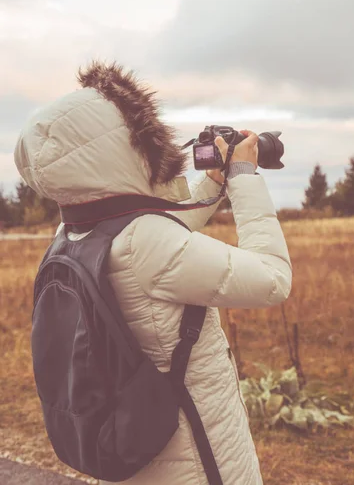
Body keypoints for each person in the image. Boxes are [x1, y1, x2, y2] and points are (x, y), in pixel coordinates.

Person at [14, 62, 292, 485]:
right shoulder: (145, 242)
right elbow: (273, 278)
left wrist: (212, 186)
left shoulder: (74, 231)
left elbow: (159, 236)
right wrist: (244, 177)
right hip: (197, 460)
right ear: (120, 150)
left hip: (134, 445)